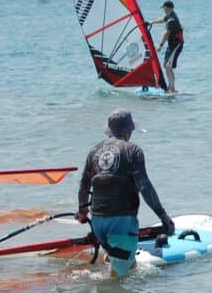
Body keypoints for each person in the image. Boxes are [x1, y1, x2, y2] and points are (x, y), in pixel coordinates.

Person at [75, 109, 175, 277]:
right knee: (116, 282)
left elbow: (84, 185)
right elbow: (145, 187)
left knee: (127, 265)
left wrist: (83, 212)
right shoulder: (133, 151)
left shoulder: (94, 151)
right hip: (121, 223)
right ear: (129, 131)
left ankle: (120, 268)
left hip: (99, 223)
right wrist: (164, 217)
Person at [147, 0, 184, 93]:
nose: (163, 9)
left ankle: (172, 89)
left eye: (164, 7)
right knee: (166, 65)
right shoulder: (169, 16)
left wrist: (160, 46)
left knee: (168, 66)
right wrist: (152, 22)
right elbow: (162, 20)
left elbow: (166, 33)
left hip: (176, 44)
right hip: (172, 44)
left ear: (168, 7)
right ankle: (172, 88)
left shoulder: (172, 19)